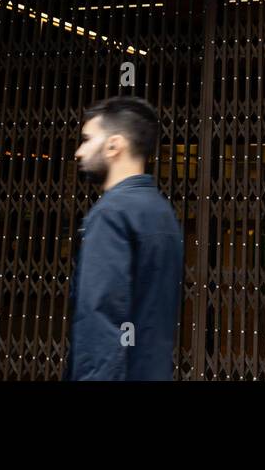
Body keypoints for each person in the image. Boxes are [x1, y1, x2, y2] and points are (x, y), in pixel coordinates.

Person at [65, 96, 184, 380]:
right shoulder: (161, 212)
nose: (79, 152)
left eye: (87, 139)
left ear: (114, 145)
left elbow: (101, 318)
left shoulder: (111, 214)